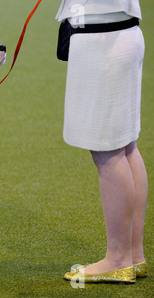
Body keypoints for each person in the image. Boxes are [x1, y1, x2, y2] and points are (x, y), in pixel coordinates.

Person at [57, 0, 148, 283]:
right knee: (126, 146)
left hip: (103, 39)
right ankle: (133, 256)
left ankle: (118, 259)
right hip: (118, 32)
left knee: (108, 150)